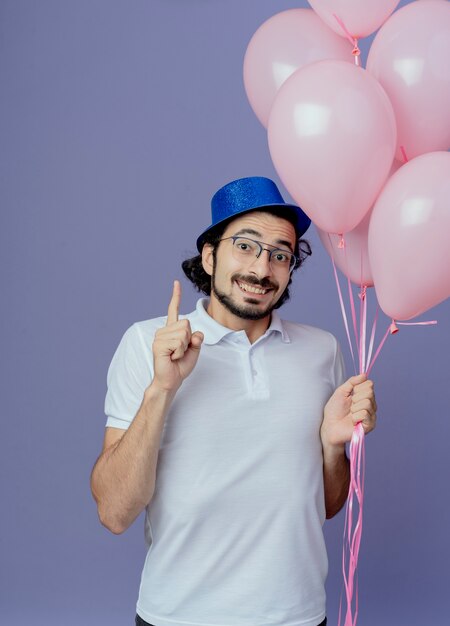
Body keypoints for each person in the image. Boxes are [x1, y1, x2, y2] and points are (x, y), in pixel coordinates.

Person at [90, 176, 377, 626]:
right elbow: (114, 512)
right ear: (209, 256)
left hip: (299, 617)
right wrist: (162, 388)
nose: (262, 270)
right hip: (178, 616)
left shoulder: (322, 350)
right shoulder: (146, 342)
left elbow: (322, 507)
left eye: (280, 255)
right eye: (245, 246)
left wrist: (331, 446)